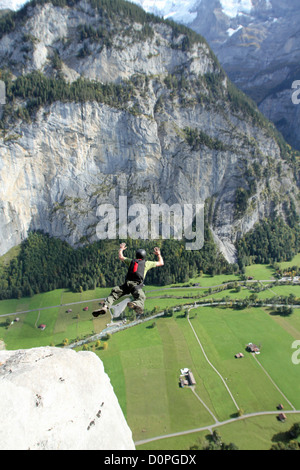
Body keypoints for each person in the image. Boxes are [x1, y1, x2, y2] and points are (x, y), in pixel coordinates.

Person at [92, 243, 164, 317]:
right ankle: (135, 304)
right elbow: (161, 263)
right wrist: (158, 254)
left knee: (114, 295)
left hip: (126, 285)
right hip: (135, 286)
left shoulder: (131, 261)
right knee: (141, 297)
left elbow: (121, 257)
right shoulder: (147, 263)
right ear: (144, 256)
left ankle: (105, 307)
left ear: (136, 255)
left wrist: (121, 249)